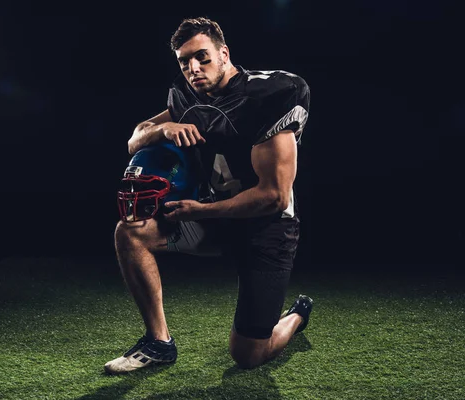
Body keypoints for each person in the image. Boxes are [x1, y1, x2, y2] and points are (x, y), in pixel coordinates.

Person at [104, 16, 312, 374]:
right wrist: (163, 129)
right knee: (130, 232)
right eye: (184, 62)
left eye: (202, 57)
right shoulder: (186, 96)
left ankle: (295, 317)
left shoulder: (270, 95)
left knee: (248, 356)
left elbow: (274, 196)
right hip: (209, 216)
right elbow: (134, 138)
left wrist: (201, 210)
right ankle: (159, 342)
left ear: (224, 53)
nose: (193, 68)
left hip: (266, 228)